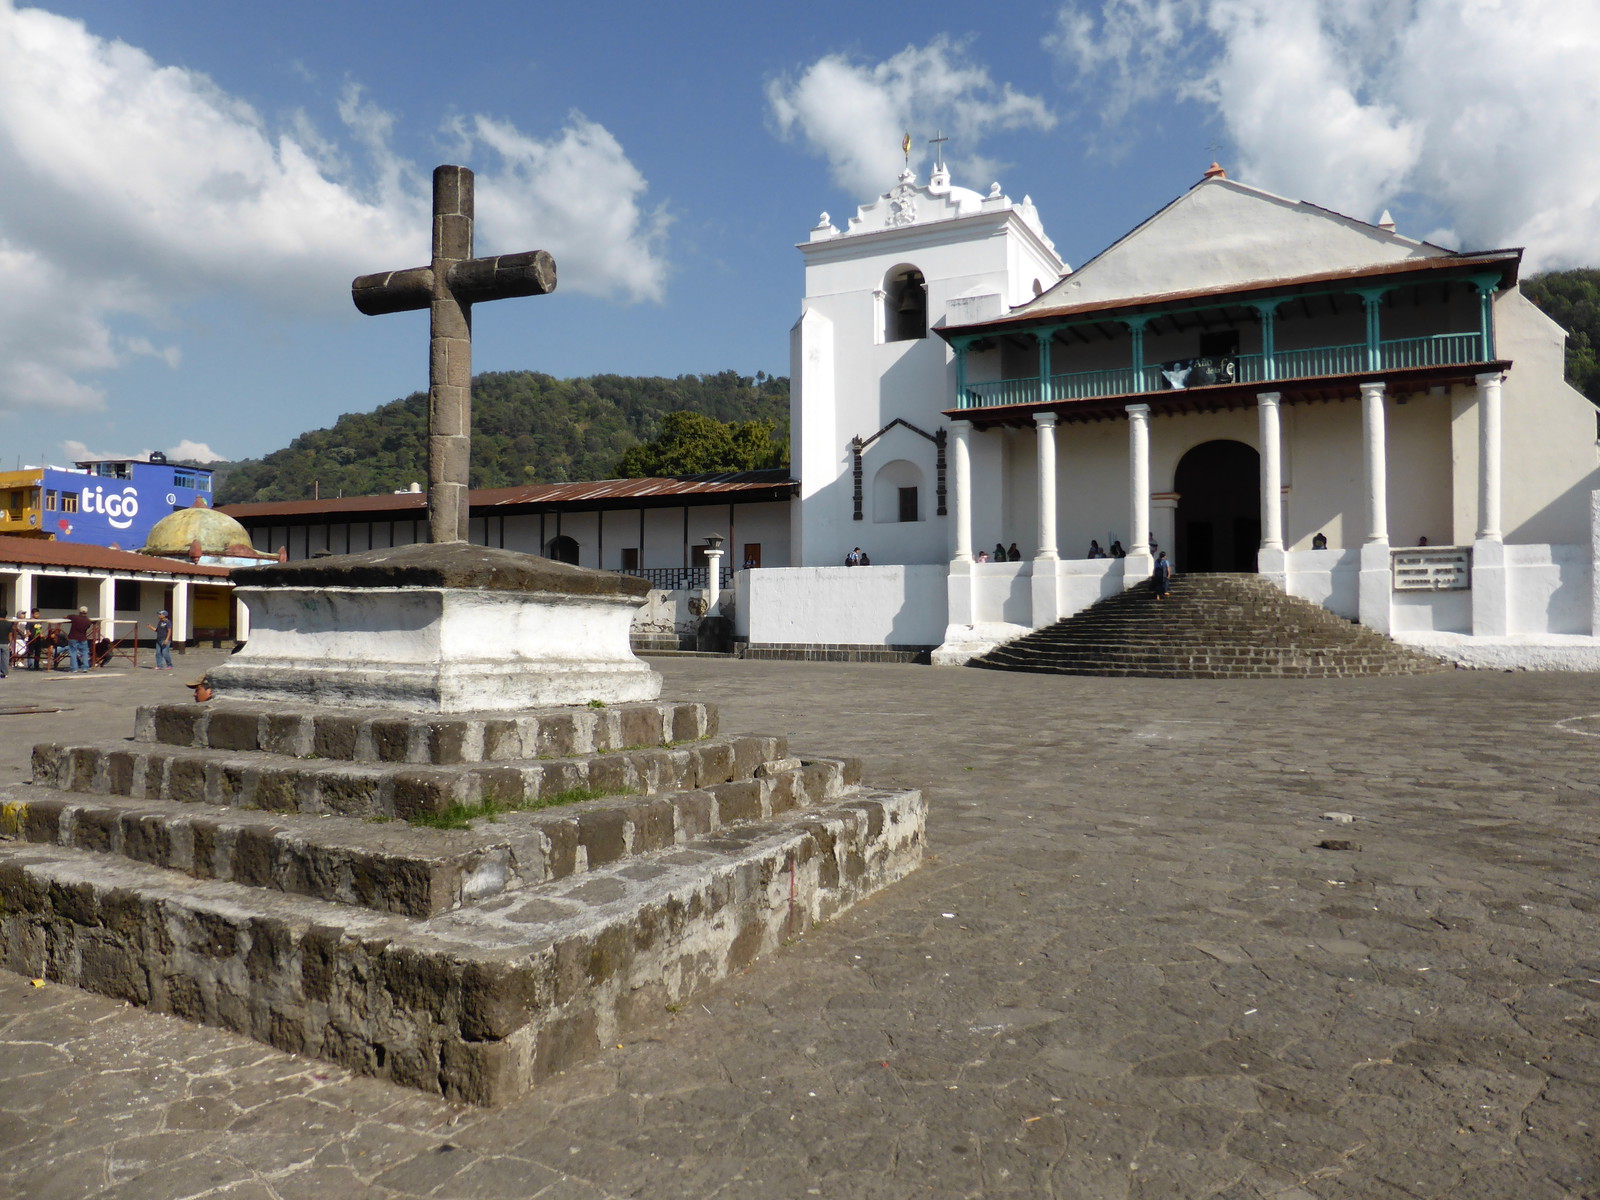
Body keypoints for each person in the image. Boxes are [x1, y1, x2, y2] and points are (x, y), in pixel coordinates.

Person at [66, 606, 93, 673]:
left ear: (79, 612)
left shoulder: (75, 617)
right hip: (83, 638)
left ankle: (74, 668)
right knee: (84, 653)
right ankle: (85, 668)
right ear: (86, 612)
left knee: (73, 653)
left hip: (73, 637)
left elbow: (66, 616)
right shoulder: (88, 621)